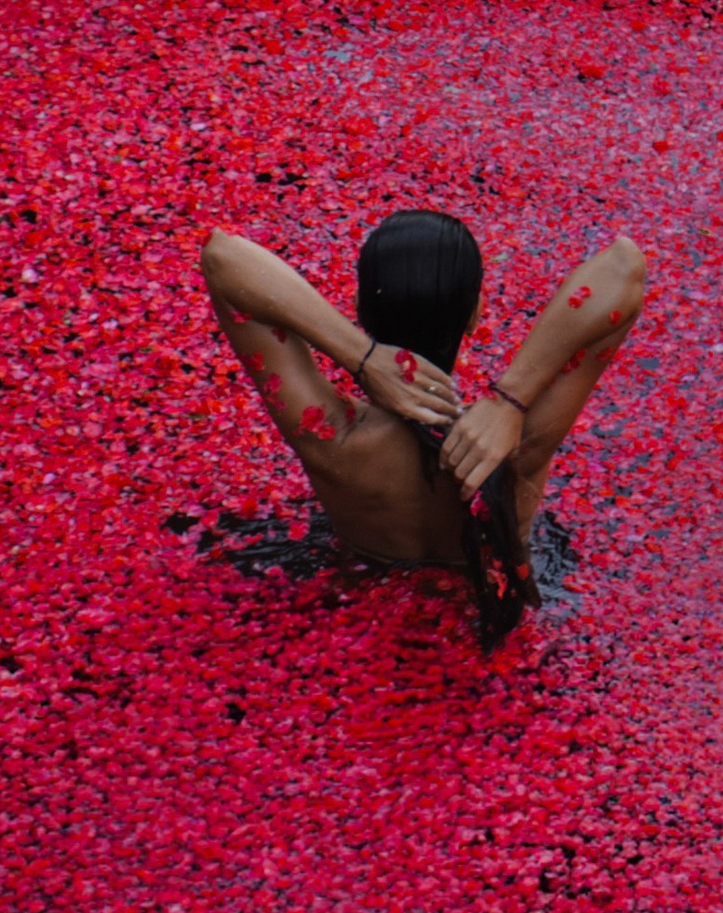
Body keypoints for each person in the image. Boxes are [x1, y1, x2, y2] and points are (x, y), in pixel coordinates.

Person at [198, 209, 650, 646]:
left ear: (359, 309)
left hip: (362, 608)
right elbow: (625, 266)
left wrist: (359, 355)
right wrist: (510, 400)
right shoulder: (523, 445)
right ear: (475, 316)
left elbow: (223, 257)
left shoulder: (331, 436)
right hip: (487, 620)